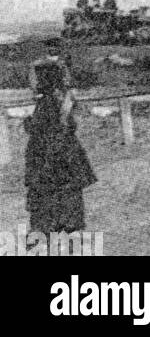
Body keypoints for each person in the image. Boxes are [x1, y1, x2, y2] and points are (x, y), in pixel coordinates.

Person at [25, 50, 96, 243]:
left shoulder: (47, 102)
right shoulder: (61, 99)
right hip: (64, 152)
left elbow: (41, 128)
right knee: (67, 190)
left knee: (48, 190)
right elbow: (69, 124)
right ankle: (68, 228)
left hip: (48, 155)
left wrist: (28, 123)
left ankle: (49, 229)